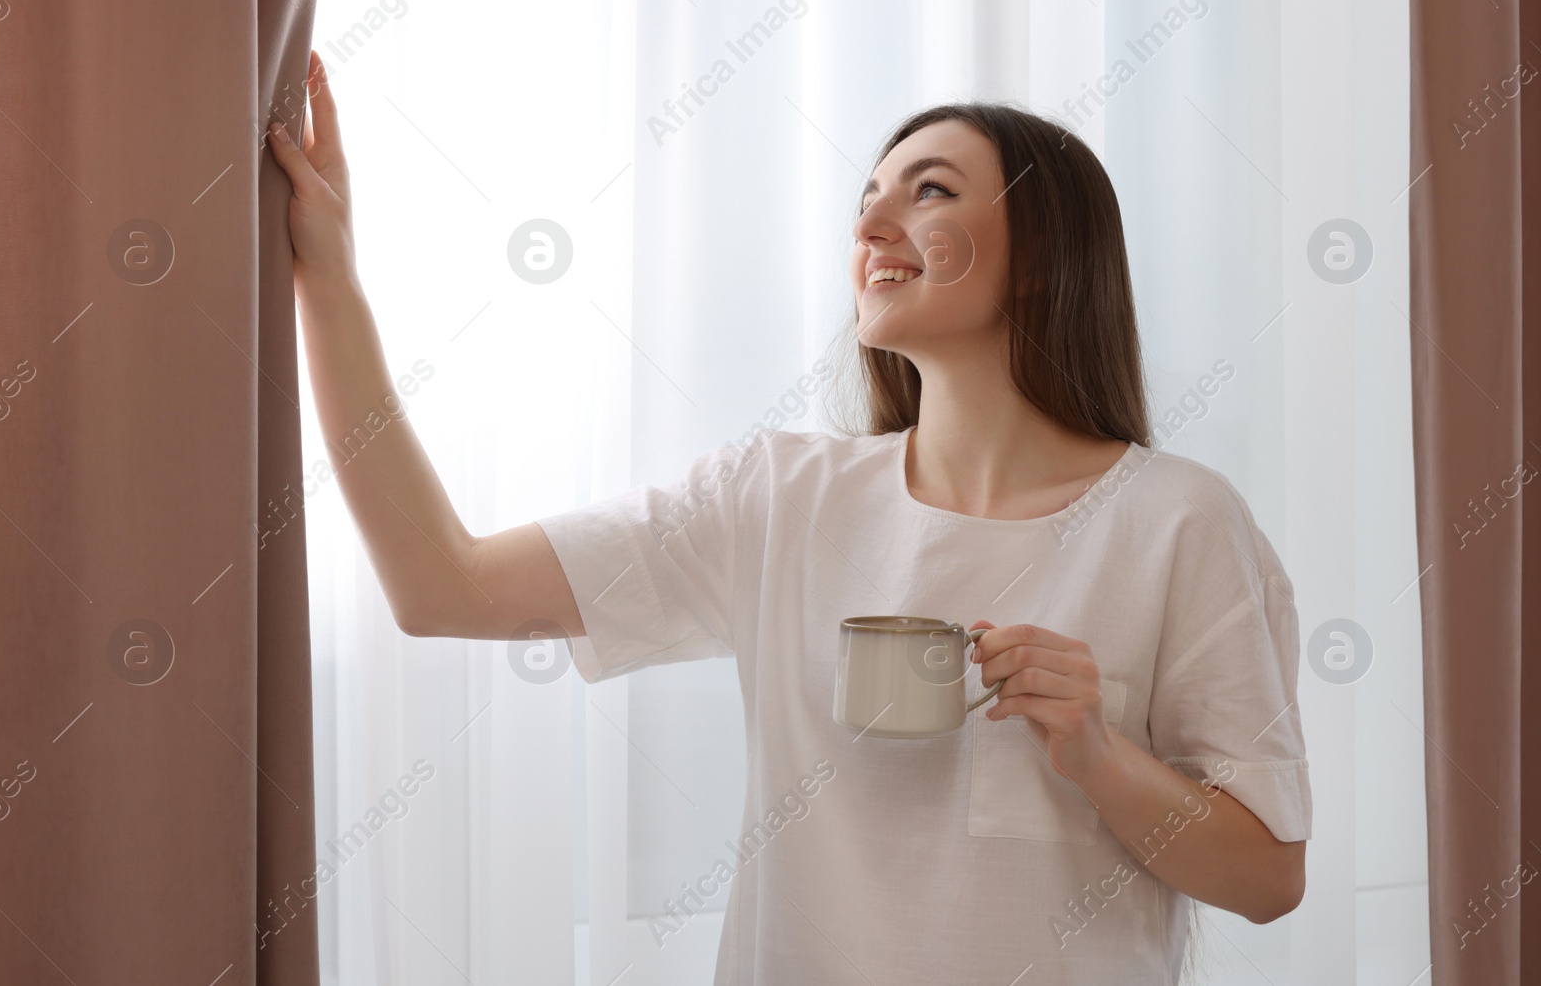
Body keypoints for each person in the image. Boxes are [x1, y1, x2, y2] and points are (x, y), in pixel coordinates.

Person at [268, 48, 1311, 986]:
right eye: (866, 199)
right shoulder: (775, 496)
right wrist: (331, 281)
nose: (867, 228)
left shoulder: (1181, 523)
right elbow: (438, 584)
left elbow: (1268, 874)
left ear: (1040, 254)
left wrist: (1097, 754)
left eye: (929, 190)